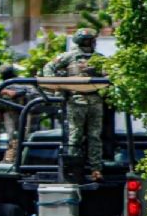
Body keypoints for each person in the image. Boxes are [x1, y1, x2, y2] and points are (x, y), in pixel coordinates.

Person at [42, 28, 105, 181]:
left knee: (94, 136)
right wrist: (56, 85)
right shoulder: (70, 56)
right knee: (75, 136)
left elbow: (108, 73)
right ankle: (74, 168)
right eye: (90, 40)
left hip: (95, 100)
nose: (92, 43)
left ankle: (96, 169)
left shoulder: (99, 58)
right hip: (76, 100)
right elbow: (49, 67)